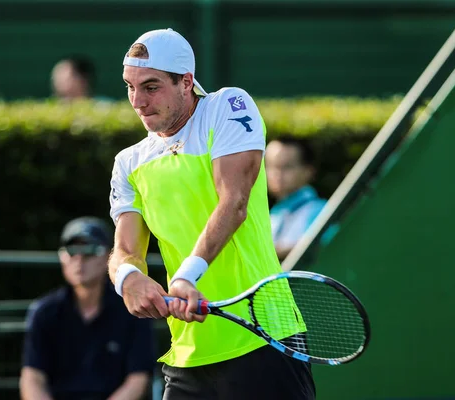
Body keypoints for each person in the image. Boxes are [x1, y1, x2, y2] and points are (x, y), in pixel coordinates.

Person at [108, 28, 315, 399]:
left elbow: (233, 202)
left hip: (265, 336)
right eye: (130, 86)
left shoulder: (228, 107)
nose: (137, 101)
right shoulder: (128, 163)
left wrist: (187, 276)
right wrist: (128, 279)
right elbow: (125, 248)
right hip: (187, 356)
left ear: (186, 82)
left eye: (151, 87)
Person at [19, 216, 154, 400]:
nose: (80, 259)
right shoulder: (44, 312)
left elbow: (138, 379)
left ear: (109, 256)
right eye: (71, 251)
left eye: (90, 250)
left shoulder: (131, 309)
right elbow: (32, 378)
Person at [265, 136, 328, 261]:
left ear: (308, 171)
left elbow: (325, 247)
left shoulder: (322, 210)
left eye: (287, 167)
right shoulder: (273, 213)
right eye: (271, 166)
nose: (277, 173)